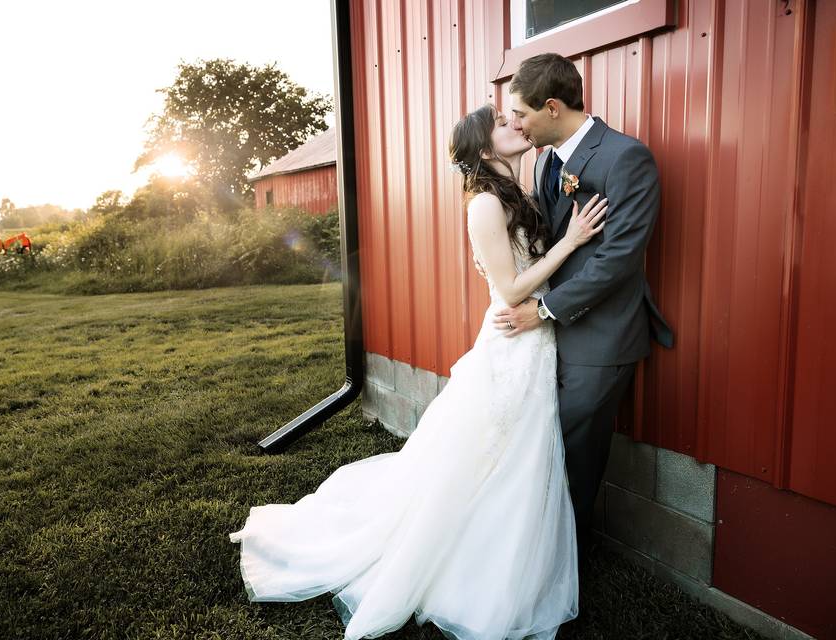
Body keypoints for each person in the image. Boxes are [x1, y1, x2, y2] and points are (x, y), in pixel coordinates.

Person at [228, 103, 608, 640]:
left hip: (534, 337)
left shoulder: (517, 192)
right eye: (502, 123)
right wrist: (571, 243)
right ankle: (470, 566)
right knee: (495, 451)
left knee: (516, 454)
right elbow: (510, 289)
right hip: (513, 339)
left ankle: (502, 554)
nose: (516, 125)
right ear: (482, 148)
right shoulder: (482, 205)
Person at [486, 53, 674, 567]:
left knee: (572, 452)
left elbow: (619, 257)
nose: (516, 125)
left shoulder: (625, 157)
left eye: (521, 114)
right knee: (538, 440)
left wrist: (543, 309)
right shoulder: (544, 158)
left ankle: (563, 561)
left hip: (600, 337)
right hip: (545, 332)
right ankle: (530, 548)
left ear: (551, 107)